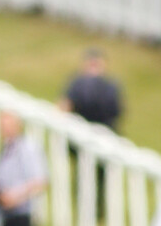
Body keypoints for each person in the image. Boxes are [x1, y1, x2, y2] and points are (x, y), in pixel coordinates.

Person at [58, 47, 123, 217]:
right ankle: (91, 208)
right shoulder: (102, 85)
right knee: (88, 174)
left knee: (95, 175)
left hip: (97, 137)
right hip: (91, 138)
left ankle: (94, 209)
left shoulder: (86, 84)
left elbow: (64, 106)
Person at [0, 111, 48, 226]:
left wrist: (14, 197)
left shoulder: (28, 148)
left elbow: (40, 181)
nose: (4, 130)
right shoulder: (5, 150)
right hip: (1, 213)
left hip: (20, 215)